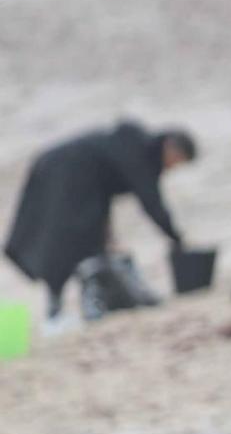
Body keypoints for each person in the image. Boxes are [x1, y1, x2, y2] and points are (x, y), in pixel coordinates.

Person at [5, 122, 197, 324]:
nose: (172, 167)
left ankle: (77, 306)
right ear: (170, 147)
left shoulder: (133, 147)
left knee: (83, 241)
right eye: (176, 161)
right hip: (62, 172)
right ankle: (59, 310)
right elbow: (151, 202)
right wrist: (175, 237)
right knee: (65, 240)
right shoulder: (138, 152)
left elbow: (102, 193)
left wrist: (108, 233)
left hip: (63, 171)